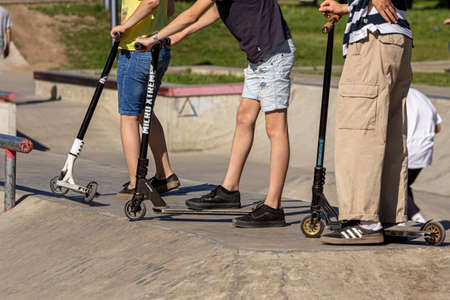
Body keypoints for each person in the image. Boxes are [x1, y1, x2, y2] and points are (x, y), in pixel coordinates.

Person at [135, 0, 296, 228]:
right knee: (244, 118)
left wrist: (153, 39)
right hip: (259, 57)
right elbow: (217, 10)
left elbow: (193, 13)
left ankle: (273, 207)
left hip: (273, 55)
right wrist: (182, 35)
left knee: (275, 128)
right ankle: (229, 190)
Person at [318, 0, 413, 244]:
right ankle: (391, 217)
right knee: (389, 131)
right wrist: (349, 7)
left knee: (360, 130)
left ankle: (365, 221)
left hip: (374, 38)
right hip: (395, 36)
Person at [110, 0, 180, 200]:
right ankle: (165, 174)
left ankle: (135, 182)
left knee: (129, 116)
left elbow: (152, 2)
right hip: (157, 48)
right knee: (144, 111)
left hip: (137, 50)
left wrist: (125, 26)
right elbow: (169, 9)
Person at [405, 88, 442, 224]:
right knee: (404, 184)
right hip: (424, 150)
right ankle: (410, 217)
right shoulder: (421, 96)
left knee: (394, 186)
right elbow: (438, 127)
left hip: (408, 149)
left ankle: (417, 218)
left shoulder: (397, 96)